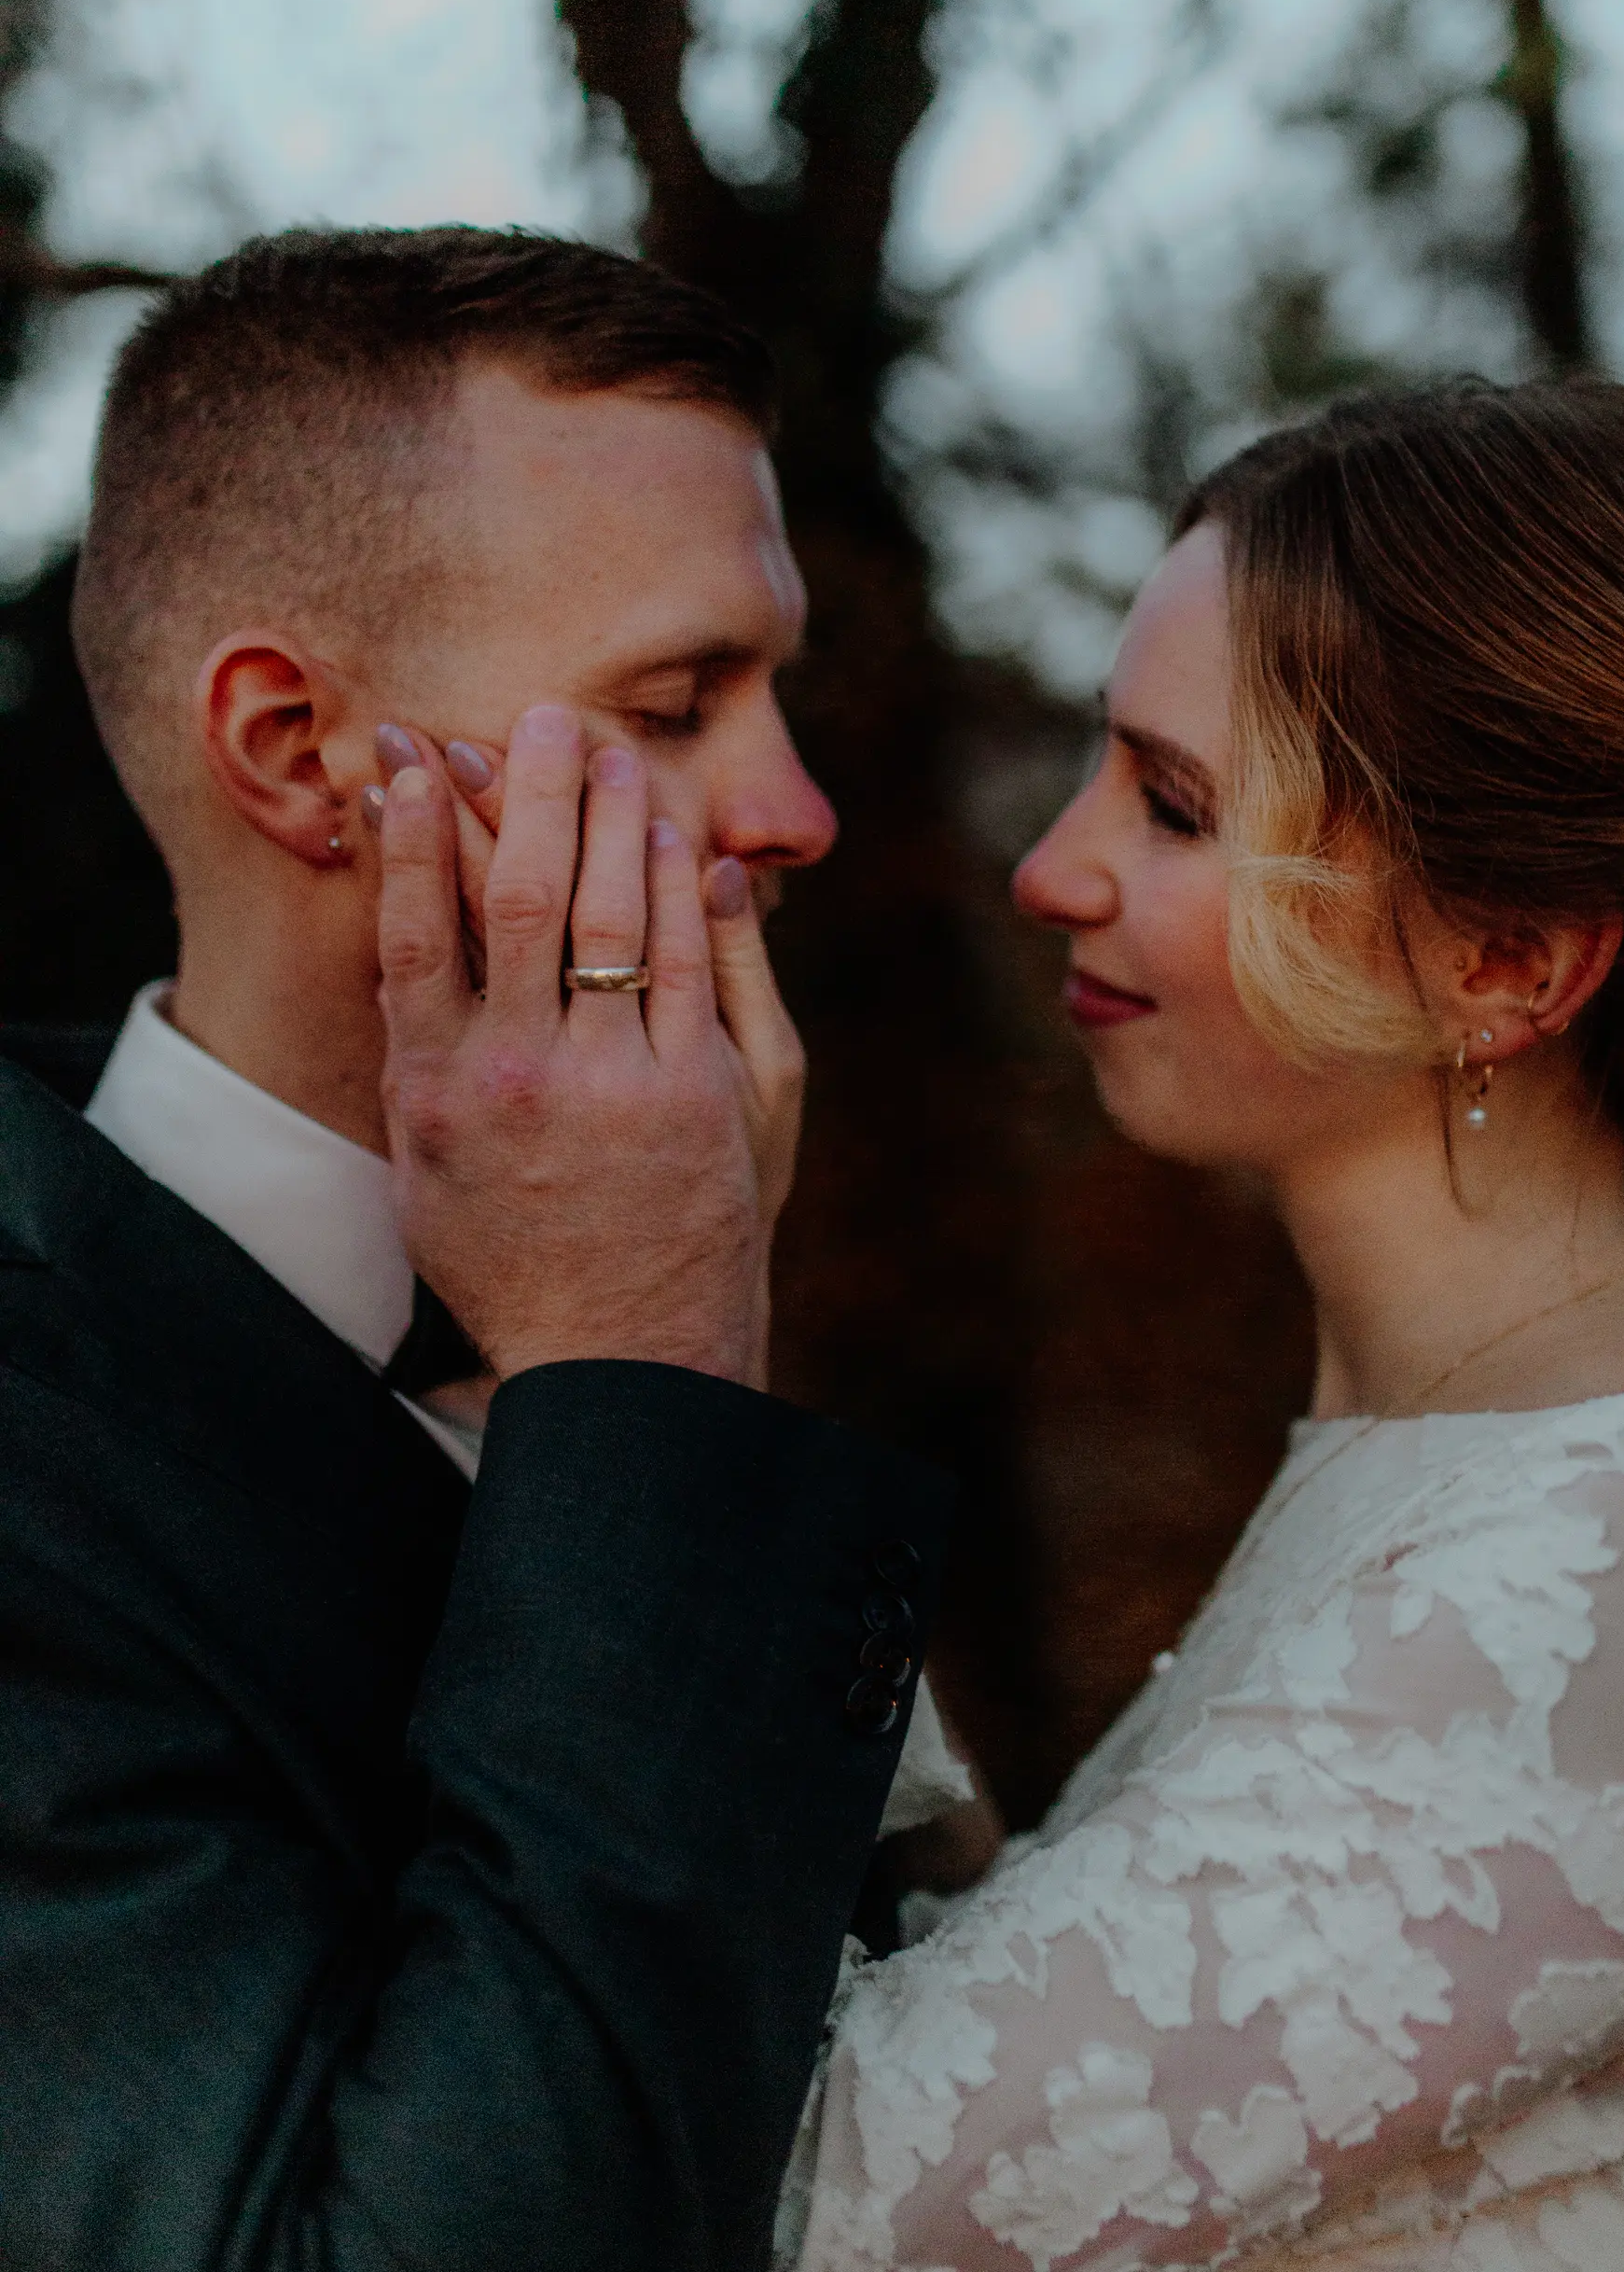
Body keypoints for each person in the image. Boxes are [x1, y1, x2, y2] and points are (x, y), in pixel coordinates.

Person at [0, 229, 961, 2271]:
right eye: (680, 699)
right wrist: (640, 1357)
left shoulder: (688, 1254)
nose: (791, 808)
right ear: (292, 753)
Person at [758, 378, 1624, 2267]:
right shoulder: (1436, 1463)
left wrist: (636, 1353)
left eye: (1173, 806)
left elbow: (825, 2208)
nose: (1052, 869)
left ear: (1506, 960)